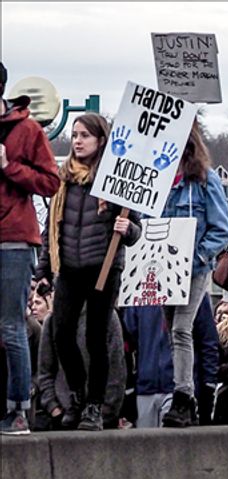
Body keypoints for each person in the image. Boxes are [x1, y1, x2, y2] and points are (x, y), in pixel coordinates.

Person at [33, 113, 141, 431]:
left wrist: (129, 227)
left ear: (100, 141)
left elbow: (136, 230)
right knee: (62, 333)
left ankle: (93, 405)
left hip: (103, 268)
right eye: (75, 135)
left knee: (95, 337)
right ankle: (78, 394)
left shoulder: (115, 181)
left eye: (84, 136)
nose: (78, 141)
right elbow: (50, 230)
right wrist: (42, 271)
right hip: (68, 267)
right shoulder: (64, 180)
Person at [159, 121, 228, 427]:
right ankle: (182, 394)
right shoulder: (157, 181)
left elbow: (223, 227)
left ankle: (183, 396)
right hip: (162, 267)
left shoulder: (205, 180)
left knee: (181, 329)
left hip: (195, 267)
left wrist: (200, 255)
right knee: (173, 332)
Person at [0, 61, 61, 435]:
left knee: (10, 326)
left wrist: (9, 167)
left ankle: (20, 408)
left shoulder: (27, 129)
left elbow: (51, 181)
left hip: (13, 239)